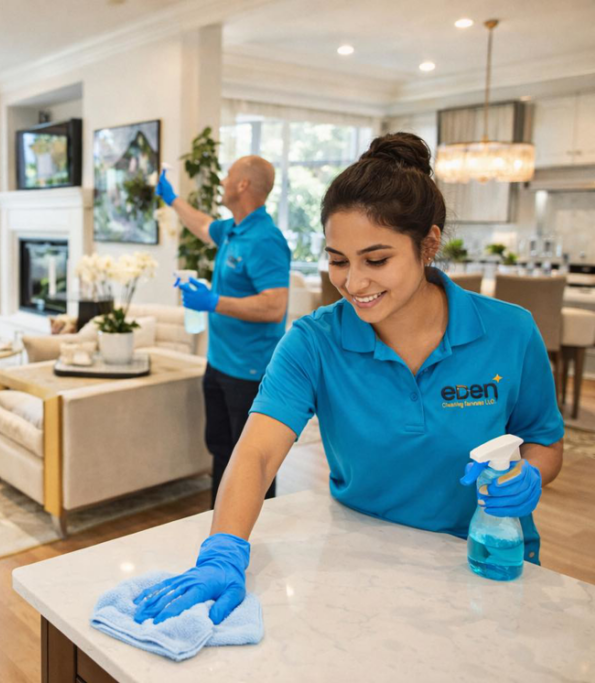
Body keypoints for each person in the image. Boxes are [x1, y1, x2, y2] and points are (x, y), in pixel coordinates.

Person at [133, 133, 564, 626]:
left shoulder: (509, 332)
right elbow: (255, 454)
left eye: (376, 260)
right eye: (338, 260)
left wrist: (529, 475)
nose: (354, 283)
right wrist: (223, 551)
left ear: (428, 245)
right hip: (362, 559)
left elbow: (545, 442)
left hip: (482, 564)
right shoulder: (314, 342)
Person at [157, 156, 290, 506]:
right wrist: (172, 200)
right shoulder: (233, 229)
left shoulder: (265, 239)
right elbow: (202, 225)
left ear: (243, 185)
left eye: (229, 174)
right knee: (221, 449)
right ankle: (219, 523)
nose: (223, 180)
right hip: (219, 365)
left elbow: (274, 305)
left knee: (251, 461)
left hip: (249, 372)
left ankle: (255, 532)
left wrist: (215, 302)